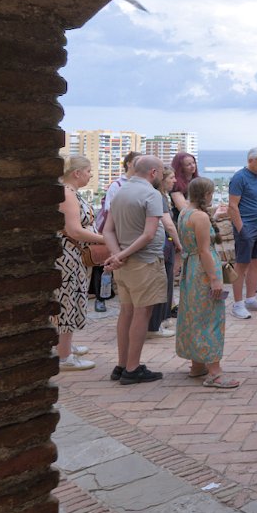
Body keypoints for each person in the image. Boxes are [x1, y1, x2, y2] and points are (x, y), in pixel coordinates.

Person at [101, 155, 169, 384]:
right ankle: (132, 368)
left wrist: (116, 255)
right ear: (153, 173)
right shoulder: (152, 194)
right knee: (142, 314)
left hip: (123, 265)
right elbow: (149, 234)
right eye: (161, 172)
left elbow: (107, 230)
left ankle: (121, 365)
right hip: (144, 263)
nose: (161, 176)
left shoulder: (120, 191)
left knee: (126, 312)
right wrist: (121, 255)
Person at [175, 177, 238, 388]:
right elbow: (204, 250)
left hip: (190, 269)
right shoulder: (200, 216)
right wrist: (215, 280)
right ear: (206, 195)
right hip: (203, 270)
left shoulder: (185, 212)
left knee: (195, 315)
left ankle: (197, 365)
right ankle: (215, 373)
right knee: (211, 318)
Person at [55, 155, 107, 371]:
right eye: (88, 171)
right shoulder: (67, 194)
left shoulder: (69, 192)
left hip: (71, 254)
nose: (90, 174)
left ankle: (64, 346)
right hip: (68, 255)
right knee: (67, 301)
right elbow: (74, 230)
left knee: (71, 298)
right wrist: (106, 240)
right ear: (77, 173)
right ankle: (64, 356)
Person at [89, 149, 139, 312]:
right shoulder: (117, 185)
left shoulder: (138, 184)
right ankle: (100, 297)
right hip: (115, 231)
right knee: (104, 264)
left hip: (128, 232)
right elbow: (111, 210)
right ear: (129, 164)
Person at [227, 146, 257, 319]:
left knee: (256, 263)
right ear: (250, 161)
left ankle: (251, 299)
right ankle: (237, 304)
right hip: (246, 228)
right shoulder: (239, 178)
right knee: (241, 265)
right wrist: (241, 229)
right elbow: (232, 206)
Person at [147, 166, 181, 338]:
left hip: (160, 245)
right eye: (171, 178)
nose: (174, 181)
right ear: (162, 179)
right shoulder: (159, 197)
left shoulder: (159, 196)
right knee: (163, 284)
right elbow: (168, 225)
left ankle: (160, 321)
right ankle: (155, 326)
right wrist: (179, 244)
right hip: (164, 245)